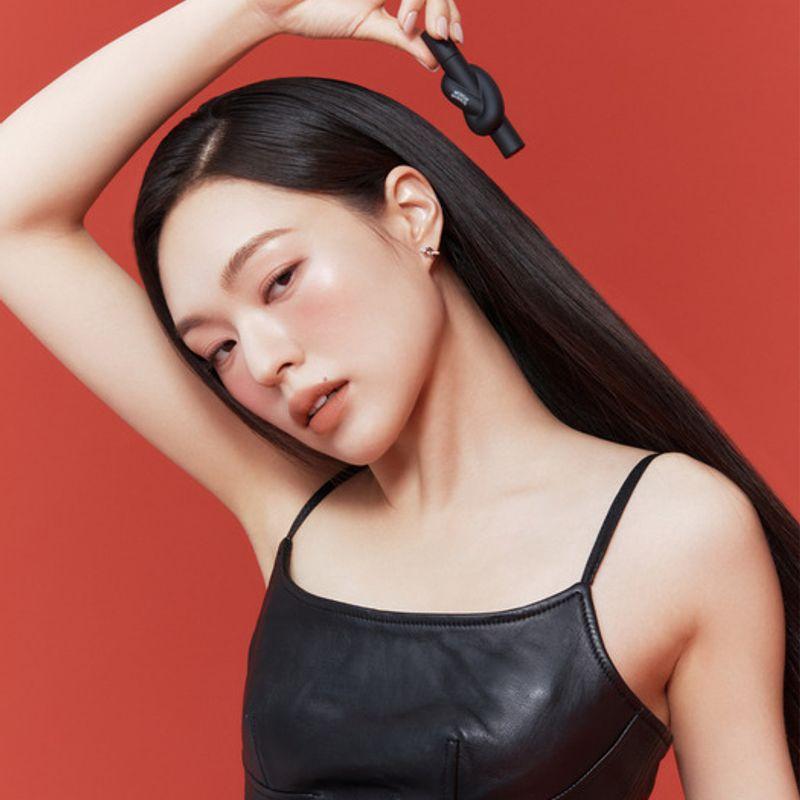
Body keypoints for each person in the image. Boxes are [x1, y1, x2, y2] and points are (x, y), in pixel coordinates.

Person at [0, 1, 797, 797]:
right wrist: (255, 10)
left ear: (413, 214)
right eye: (221, 349)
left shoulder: (676, 533)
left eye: (280, 280)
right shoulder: (294, 513)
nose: (267, 361)